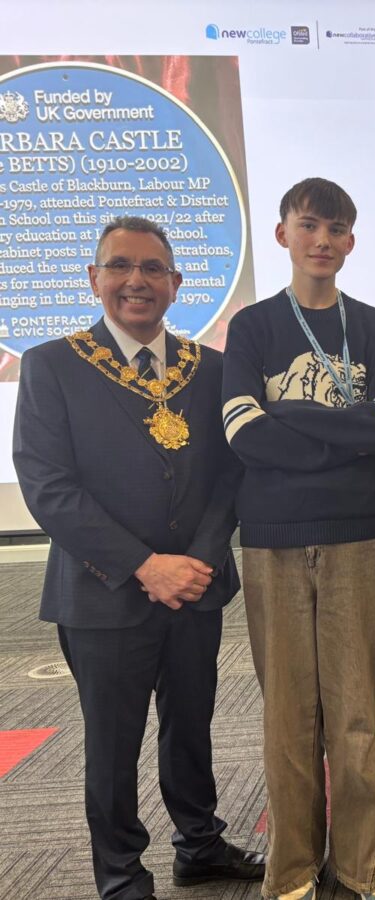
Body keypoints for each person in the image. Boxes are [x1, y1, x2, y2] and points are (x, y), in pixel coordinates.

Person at [13, 215, 263, 900]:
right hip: (103, 594)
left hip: (196, 586)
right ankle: (121, 874)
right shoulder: (51, 365)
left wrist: (199, 562)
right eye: (120, 266)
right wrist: (147, 566)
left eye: (153, 268)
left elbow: (230, 475)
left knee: (192, 725)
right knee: (112, 743)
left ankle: (199, 844)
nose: (136, 281)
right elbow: (48, 488)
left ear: (177, 284)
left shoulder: (210, 370)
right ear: (94, 279)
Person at [221, 179, 375, 900]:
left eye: (336, 229)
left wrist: (290, 418)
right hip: (271, 540)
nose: (322, 240)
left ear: (351, 242)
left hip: (357, 538)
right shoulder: (253, 327)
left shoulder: (374, 328)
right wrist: (345, 438)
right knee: (289, 715)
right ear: (283, 236)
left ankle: (367, 864)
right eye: (309, 226)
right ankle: (293, 868)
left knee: (357, 710)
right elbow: (241, 428)